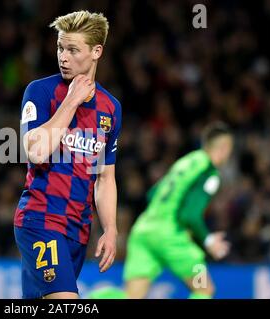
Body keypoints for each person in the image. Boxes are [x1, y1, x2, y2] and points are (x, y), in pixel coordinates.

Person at [13, 10, 122, 299]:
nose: (63, 56)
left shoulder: (110, 108)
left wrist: (110, 229)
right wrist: (71, 101)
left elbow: (105, 176)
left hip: (78, 231)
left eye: (73, 50)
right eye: (61, 47)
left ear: (96, 51)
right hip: (40, 221)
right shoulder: (40, 92)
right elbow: (35, 152)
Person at [89, 122, 234, 299]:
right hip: (171, 237)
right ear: (224, 147)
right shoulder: (209, 173)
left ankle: (91, 300)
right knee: (204, 290)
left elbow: (152, 194)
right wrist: (208, 240)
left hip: (143, 233)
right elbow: (191, 215)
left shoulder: (185, 162)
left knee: (131, 296)